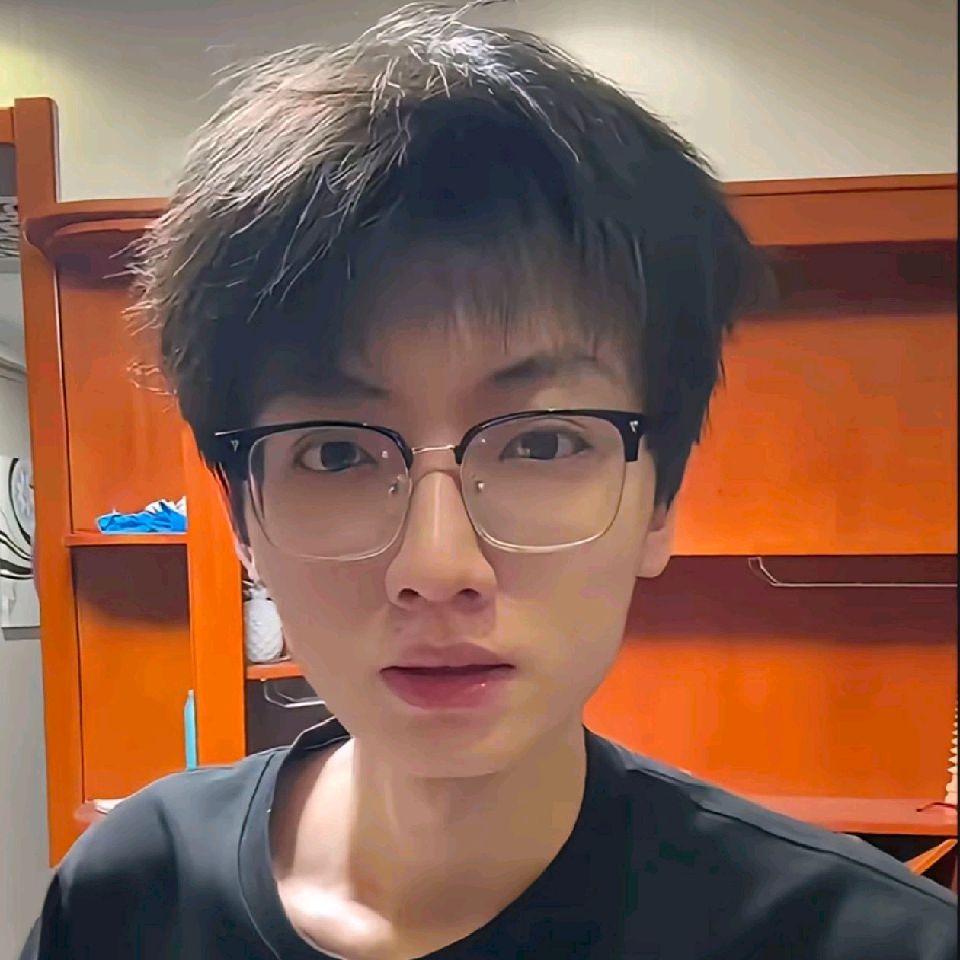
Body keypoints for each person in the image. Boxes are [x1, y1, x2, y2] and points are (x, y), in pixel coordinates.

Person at [21, 5, 957, 959]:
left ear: (659, 501)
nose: (437, 569)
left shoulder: (868, 943)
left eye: (542, 443)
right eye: (336, 454)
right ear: (242, 517)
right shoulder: (132, 895)